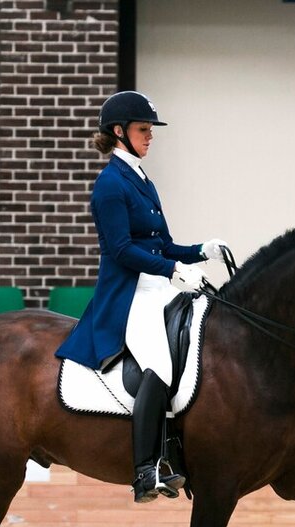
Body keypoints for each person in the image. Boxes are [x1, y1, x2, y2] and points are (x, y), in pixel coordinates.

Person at [55, 90, 228, 503]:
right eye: (143, 130)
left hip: (158, 286)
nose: (150, 137)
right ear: (119, 132)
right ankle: (147, 470)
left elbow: (160, 243)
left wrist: (200, 251)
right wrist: (172, 270)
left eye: (150, 130)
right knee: (160, 365)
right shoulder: (110, 184)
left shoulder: (143, 180)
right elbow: (121, 250)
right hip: (129, 294)